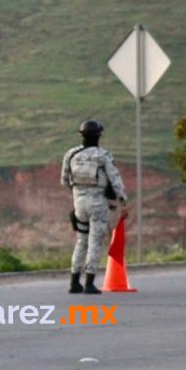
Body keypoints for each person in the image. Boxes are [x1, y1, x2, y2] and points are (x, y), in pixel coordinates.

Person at [61, 119, 127, 294]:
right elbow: (115, 180)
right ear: (99, 135)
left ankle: (74, 282)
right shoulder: (103, 156)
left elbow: (64, 181)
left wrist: (79, 194)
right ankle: (89, 283)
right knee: (95, 242)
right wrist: (122, 200)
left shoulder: (71, 154)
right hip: (98, 204)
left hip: (79, 204)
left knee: (81, 241)